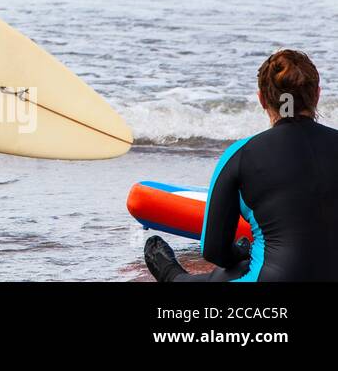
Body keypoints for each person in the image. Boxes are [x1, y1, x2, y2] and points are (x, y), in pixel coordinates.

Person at [144, 48, 338, 282]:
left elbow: (214, 250)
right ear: (316, 95)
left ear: (262, 99)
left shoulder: (241, 154)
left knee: (229, 272)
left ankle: (171, 276)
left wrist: (239, 252)